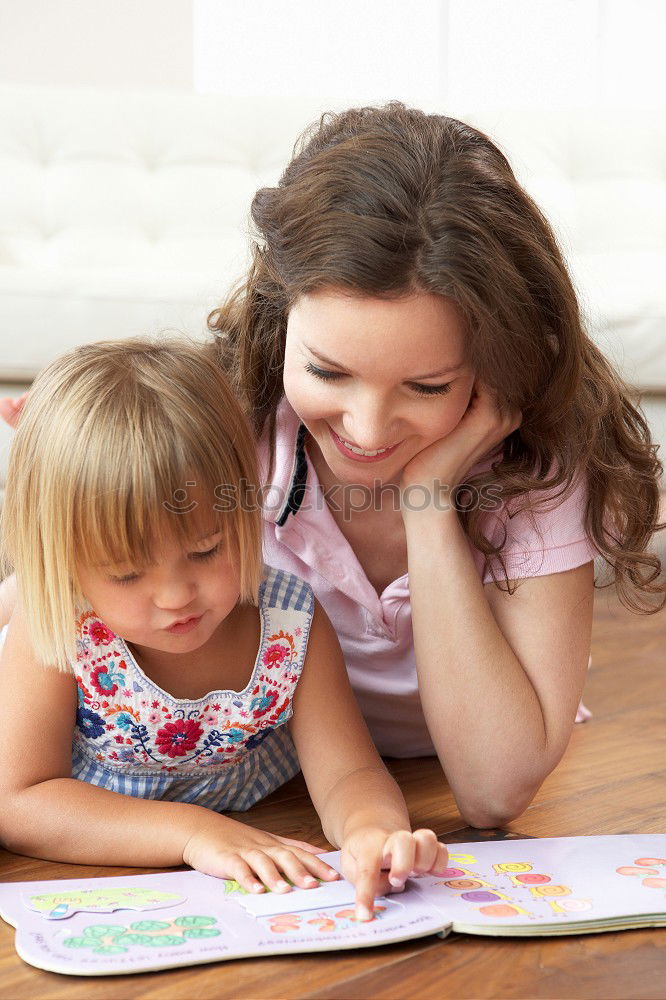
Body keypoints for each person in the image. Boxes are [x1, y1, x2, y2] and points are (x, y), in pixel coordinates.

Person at [206, 103, 664, 830]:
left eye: (426, 388)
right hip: (277, 778)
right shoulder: (233, 422)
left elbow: (492, 790)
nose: (365, 429)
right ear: (280, 312)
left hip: (432, 778)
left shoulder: (533, 472)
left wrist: (429, 505)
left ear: (491, 366)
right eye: (328, 372)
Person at [0, 336, 448, 922]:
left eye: (208, 550)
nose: (176, 596)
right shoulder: (58, 622)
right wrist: (193, 834)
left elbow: (351, 772)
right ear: (66, 565)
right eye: (127, 573)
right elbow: (19, 800)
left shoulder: (289, 622)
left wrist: (373, 833)